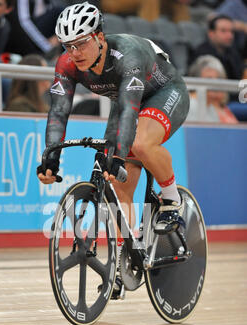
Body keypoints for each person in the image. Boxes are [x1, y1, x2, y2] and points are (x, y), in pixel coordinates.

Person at [37, 2, 190, 299]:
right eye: (69, 46)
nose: (75, 53)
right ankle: (123, 262)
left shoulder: (127, 55)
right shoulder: (67, 65)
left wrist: (118, 155)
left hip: (164, 92)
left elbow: (132, 113)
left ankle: (171, 199)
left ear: (100, 37)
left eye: (81, 43)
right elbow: (58, 113)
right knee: (119, 189)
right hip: (124, 100)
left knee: (140, 143)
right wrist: (51, 158)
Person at [190, 15, 245, 80]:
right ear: (211, 33)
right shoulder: (201, 54)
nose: (230, 35)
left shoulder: (233, 52)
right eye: (223, 31)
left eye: (232, 31)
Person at [187, 55, 238, 123]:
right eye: (209, 79)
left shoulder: (211, 108)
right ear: (196, 79)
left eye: (219, 78)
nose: (215, 84)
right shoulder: (189, 106)